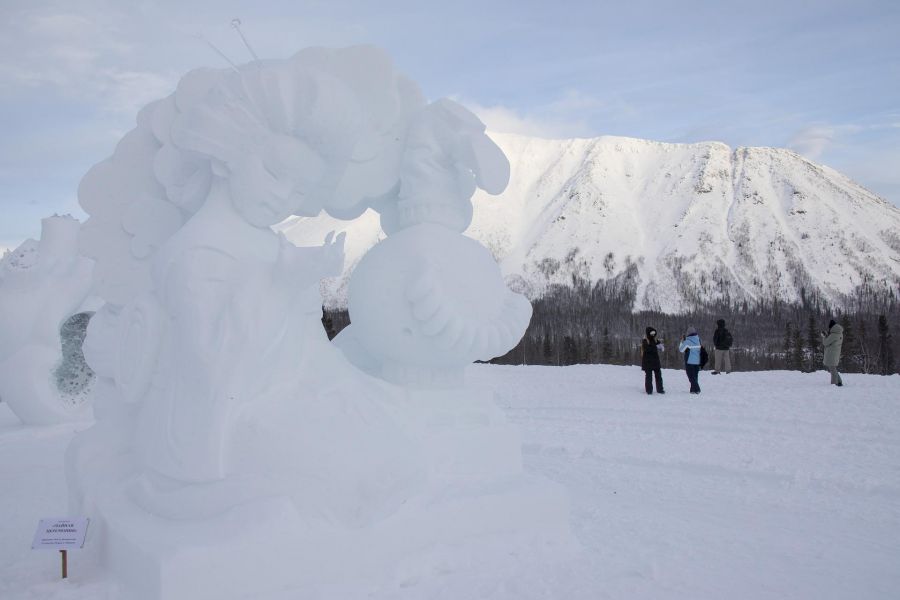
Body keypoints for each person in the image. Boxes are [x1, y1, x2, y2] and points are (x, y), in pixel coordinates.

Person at [640, 327, 665, 395]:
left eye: (654, 333)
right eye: (652, 333)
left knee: (658, 376)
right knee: (649, 376)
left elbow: (660, 346)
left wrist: (661, 346)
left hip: (655, 361)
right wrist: (655, 346)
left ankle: (660, 389)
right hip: (648, 362)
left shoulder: (655, 340)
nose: (653, 335)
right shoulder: (645, 340)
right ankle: (649, 390)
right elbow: (647, 349)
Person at [679, 326, 702, 394]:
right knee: (695, 376)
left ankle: (697, 389)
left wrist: (682, 342)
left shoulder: (687, 341)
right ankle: (693, 390)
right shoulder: (698, 340)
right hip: (697, 361)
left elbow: (681, 350)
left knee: (690, 376)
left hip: (689, 361)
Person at [821, 319, 844, 386]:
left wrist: (824, 336)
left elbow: (825, 343)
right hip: (836, 352)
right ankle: (839, 381)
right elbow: (833, 342)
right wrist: (828, 336)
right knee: (833, 368)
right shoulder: (840, 333)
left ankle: (834, 383)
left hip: (831, 353)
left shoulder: (834, 335)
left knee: (832, 368)